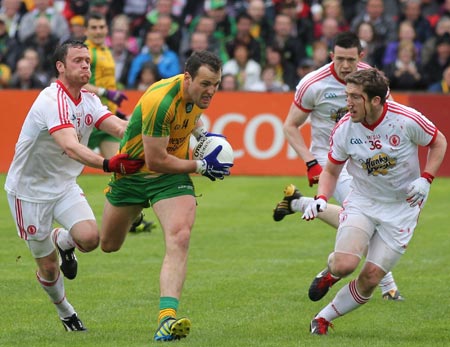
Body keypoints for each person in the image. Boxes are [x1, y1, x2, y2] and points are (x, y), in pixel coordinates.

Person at [4, 39, 144, 331]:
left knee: (90, 239)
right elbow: (70, 146)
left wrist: (147, 133)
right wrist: (109, 164)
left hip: (64, 184)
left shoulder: (89, 100)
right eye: (78, 60)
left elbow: (118, 127)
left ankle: (63, 241)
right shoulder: (51, 100)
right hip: (29, 192)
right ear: (61, 66)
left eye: (88, 61)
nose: (85, 66)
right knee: (48, 267)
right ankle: (66, 312)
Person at [99, 50, 233, 342]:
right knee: (107, 244)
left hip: (169, 180)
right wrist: (202, 165)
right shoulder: (160, 102)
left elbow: (194, 121)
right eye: (206, 84)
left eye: (217, 84)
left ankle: (166, 319)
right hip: (133, 175)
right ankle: (66, 239)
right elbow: (156, 159)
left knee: (180, 236)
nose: (211, 91)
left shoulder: (197, 96)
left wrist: (204, 138)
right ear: (188, 79)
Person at [302, 68, 447, 335]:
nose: (348, 103)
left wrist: (426, 178)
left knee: (370, 278)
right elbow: (331, 171)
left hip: (403, 207)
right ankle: (331, 273)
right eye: (347, 96)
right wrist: (321, 198)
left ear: (376, 101)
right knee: (344, 264)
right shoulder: (344, 128)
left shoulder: (406, 119)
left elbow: (439, 142)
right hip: (364, 201)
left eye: (355, 97)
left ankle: (321, 319)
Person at [272, 32, 404, 301]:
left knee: (360, 215)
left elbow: (389, 115)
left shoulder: (373, 80)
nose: (345, 66)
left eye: (351, 60)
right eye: (340, 59)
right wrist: (310, 162)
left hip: (364, 157)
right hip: (330, 159)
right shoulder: (313, 84)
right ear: (331, 55)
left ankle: (297, 203)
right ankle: (387, 286)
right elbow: (290, 126)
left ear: (361, 57)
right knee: (362, 215)